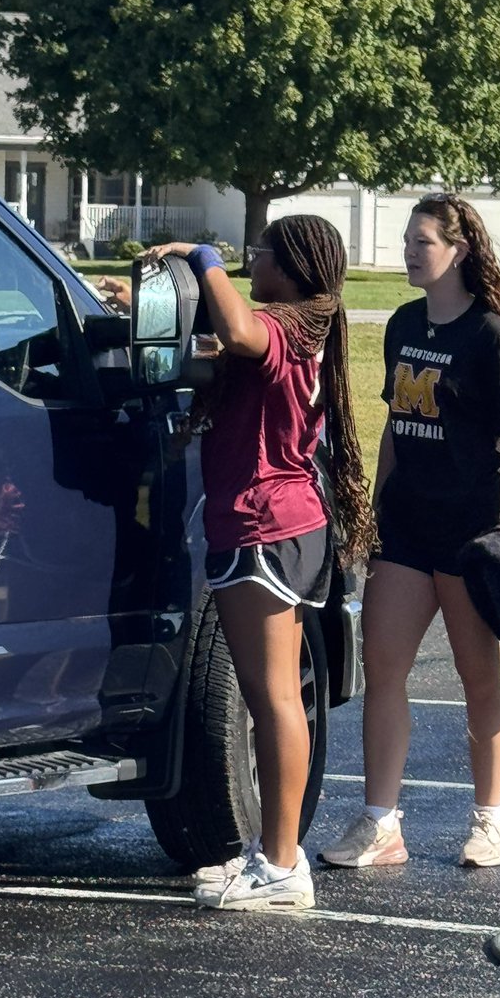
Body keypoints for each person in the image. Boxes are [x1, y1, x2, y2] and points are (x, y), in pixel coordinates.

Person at [125, 217, 374, 911]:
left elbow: (237, 330)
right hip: (286, 521)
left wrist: (202, 254)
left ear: (289, 270)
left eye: (259, 253)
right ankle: (275, 856)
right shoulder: (302, 327)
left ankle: (282, 865)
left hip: (264, 525)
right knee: (277, 697)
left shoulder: (281, 327)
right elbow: (224, 339)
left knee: (272, 700)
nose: (249, 262)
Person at [319, 192, 500, 871]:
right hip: (407, 531)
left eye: (423, 242)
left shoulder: (491, 336)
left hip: (472, 535)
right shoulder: (403, 324)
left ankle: (489, 821)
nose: (409, 252)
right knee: (384, 669)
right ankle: (380, 824)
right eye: (408, 241)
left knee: (480, 678)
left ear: (459, 250)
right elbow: (397, 423)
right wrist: (374, 511)